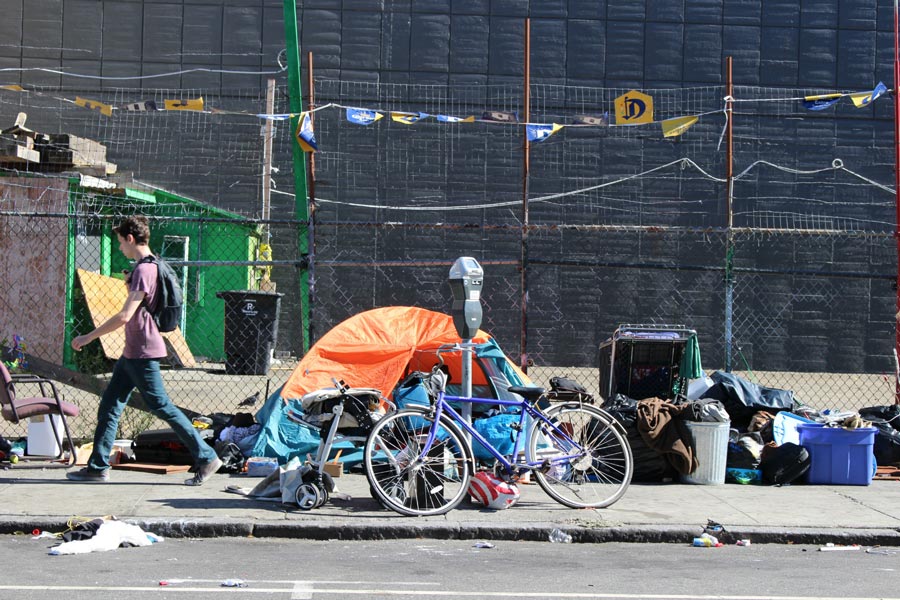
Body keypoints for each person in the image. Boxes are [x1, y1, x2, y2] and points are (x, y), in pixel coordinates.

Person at [67, 216, 221, 485]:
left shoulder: (144, 270)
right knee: (110, 405)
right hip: (132, 353)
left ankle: (206, 456)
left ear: (130, 238)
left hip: (143, 352)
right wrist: (130, 286)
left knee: (162, 406)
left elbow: (125, 315)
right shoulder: (149, 266)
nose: (120, 248)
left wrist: (88, 337)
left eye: (120, 242)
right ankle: (97, 467)